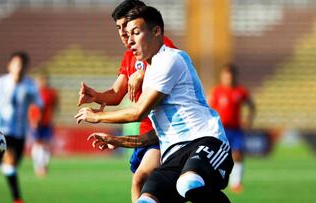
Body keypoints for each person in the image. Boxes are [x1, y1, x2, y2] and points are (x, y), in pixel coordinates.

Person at [76, 6, 233, 203]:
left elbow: (138, 112)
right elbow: (155, 134)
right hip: (173, 154)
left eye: (135, 32)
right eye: (125, 32)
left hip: (206, 141)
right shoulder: (149, 73)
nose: (129, 38)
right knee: (145, 199)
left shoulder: (171, 58)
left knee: (188, 183)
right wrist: (117, 140)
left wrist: (97, 116)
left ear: (156, 31)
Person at [77, 1, 177, 202]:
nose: (123, 33)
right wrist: (95, 95)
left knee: (141, 180)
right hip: (145, 134)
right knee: (148, 188)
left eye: (126, 26)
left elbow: (168, 66)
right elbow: (116, 93)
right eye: (119, 28)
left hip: (164, 133)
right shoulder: (129, 56)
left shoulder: (161, 44)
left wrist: (143, 73)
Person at [0, 51, 43, 203]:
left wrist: (35, 118)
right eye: (16, 64)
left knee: (12, 166)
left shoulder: (30, 85)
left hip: (21, 132)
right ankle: (17, 198)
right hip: (1, 130)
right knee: (9, 160)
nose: (18, 68)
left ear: (26, 67)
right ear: (9, 66)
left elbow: (39, 105)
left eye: (22, 65)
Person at [209, 64, 256, 193]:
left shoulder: (241, 91)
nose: (228, 78)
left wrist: (248, 120)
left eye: (230, 76)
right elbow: (208, 109)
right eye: (226, 76)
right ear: (222, 77)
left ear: (234, 76)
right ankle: (214, 181)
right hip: (220, 130)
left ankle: (236, 183)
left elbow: (251, 106)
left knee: (238, 154)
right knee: (217, 156)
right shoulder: (217, 91)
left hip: (236, 130)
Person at [28, 73, 58, 177]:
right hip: (36, 122)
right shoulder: (35, 93)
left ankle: (43, 166)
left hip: (46, 122)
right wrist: (33, 120)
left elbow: (54, 106)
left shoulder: (51, 93)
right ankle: (38, 166)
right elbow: (32, 108)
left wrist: (52, 116)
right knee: (38, 144)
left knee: (46, 145)